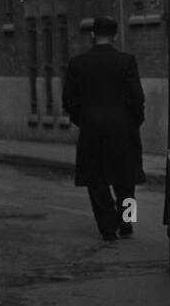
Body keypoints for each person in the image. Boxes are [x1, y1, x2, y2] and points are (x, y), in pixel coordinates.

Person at [62, 15, 145, 242]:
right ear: (115, 35)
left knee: (96, 182)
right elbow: (137, 98)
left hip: (92, 131)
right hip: (123, 129)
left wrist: (85, 119)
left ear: (92, 35)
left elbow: (69, 100)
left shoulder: (78, 63)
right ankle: (127, 221)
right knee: (127, 181)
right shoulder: (126, 61)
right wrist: (133, 121)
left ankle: (108, 227)